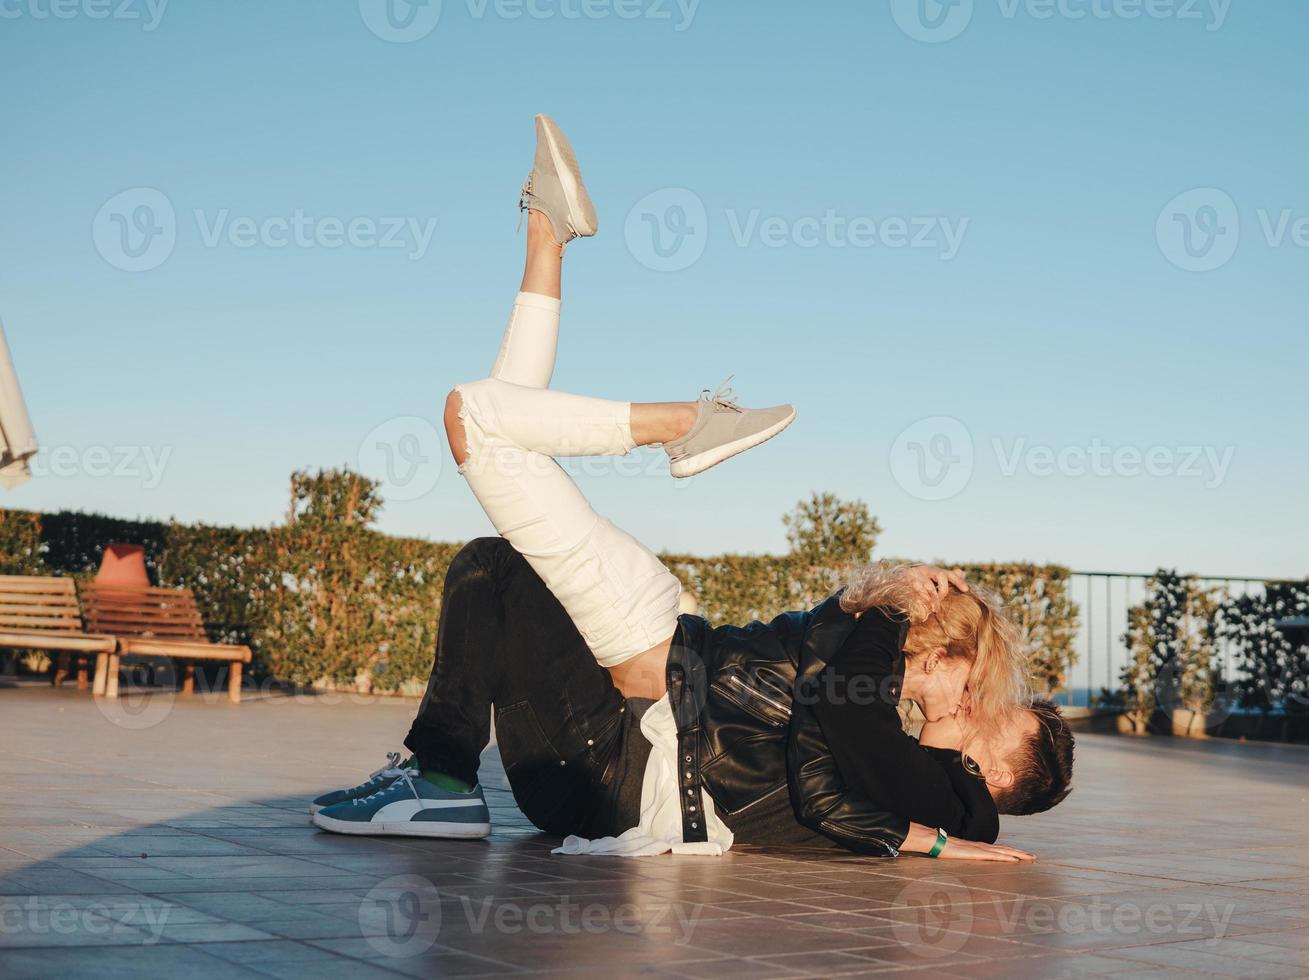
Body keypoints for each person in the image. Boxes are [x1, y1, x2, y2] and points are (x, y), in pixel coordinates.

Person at [309, 115, 1072, 859]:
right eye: (978, 686)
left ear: (999, 770)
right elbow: (833, 740)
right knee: (493, 555)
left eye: (988, 708)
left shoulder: (926, 768)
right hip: (643, 675)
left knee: (476, 421)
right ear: (935, 652)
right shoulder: (865, 693)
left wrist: (898, 600)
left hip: (621, 760)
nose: (977, 702)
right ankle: (550, 237)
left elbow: (837, 765)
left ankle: (673, 404)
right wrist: (892, 603)